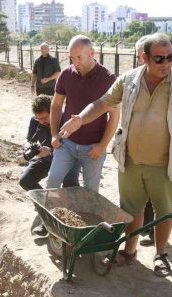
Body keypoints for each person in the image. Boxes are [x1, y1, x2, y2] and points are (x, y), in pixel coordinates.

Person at [59, 33, 172, 276]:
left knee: (163, 211)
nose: (166, 63)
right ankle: (129, 251)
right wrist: (80, 119)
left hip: (164, 164)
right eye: (159, 58)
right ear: (144, 57)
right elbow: (103, 103)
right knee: (131, 209)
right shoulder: (129, 80)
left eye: (170, 57)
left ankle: (161, 254)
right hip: (131, 160)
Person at [47, 35, 119, 192]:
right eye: (72, 58)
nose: (75, 62)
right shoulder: (66, 74)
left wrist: (102, 145)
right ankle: (47, 216)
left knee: (91, 191)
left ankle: (89, 217)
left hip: (92, 148)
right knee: (52, 181)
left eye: (79, 57)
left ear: (92, 53)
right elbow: (56, 104)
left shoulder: (108, 78)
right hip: (66, 143)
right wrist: (54, 134)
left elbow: (114, 116)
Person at [19, 95, 80, 235]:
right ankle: (46, 209)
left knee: (70, 186)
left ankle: (66, 221)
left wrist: (51, 151)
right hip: (43, 158)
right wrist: (29, 146)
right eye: (38, 119)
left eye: (44, 119)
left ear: (53, 112)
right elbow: (29, 139)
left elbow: (70, 149)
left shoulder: (66, 121)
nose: (41, 122)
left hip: (66, 159)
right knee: (26, 181)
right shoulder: (35, 121)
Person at [135, 34, 156, 248]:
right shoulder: (134, 79)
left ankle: (152, 232)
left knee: (154, 197)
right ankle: (145, 228)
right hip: (138, 150)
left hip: (157, 152)